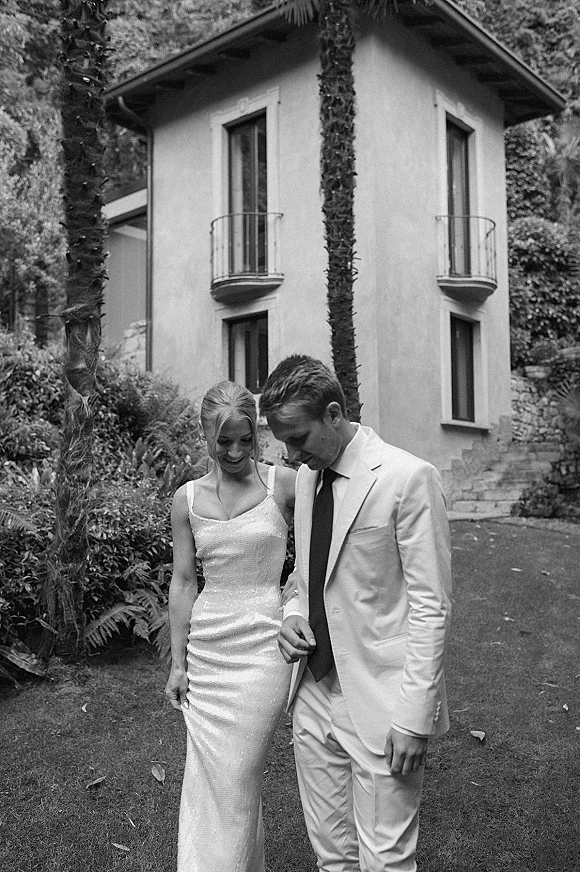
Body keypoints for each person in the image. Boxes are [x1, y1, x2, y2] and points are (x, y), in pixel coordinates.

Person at [259, 355, 452, 872]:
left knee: (385, 861)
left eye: (297, 438)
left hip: (384, 703)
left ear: (334, 414)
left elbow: (432, 606)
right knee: (331, 857)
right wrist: (293, 613)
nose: (290, 454)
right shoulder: (306, 479)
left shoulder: (408, 478)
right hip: (312, 694)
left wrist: (415, 719)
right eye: (283, 441)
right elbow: (306, 577)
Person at [165, 380, 295, 872]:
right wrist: (178, 665)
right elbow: (182, 583)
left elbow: (317, 557)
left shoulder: (282, 485)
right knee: (209, 780)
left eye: (245, 439)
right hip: (208, 654)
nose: (236, 451)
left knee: (239, 775)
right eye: (224, 441)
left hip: (265, 649)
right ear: (205, 437)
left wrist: (295, 608)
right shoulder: (186, 499)